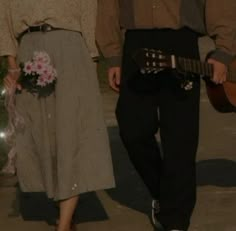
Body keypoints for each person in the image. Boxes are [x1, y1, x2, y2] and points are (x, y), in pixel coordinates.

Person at [96, 1, 236, 231]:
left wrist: (223, 51)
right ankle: (164, 193)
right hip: (136, 44)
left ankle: (176, 221)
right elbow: (108, 5)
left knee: (180, 139)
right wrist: (112, 55)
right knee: (133, 129)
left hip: (181, 42)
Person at [0, 1, 115, 231]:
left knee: (71, 131)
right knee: (41, 134)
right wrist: (12, 64)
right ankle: (62, 204)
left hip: (71, 51)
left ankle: (63, 224)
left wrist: (91, 61)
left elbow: (88, 10)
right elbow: (3, 13)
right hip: (29, 49)